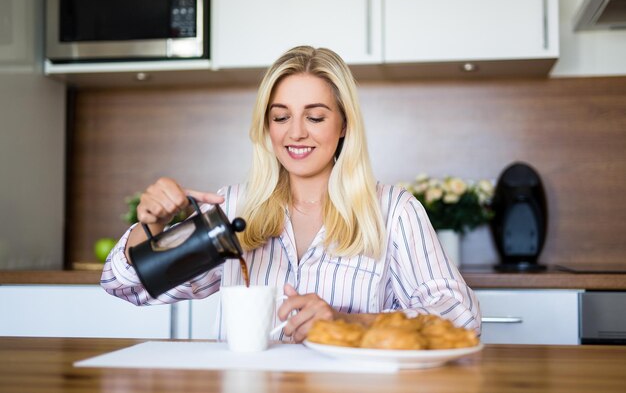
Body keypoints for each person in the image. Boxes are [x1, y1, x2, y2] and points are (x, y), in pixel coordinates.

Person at [101, 45, 481, 342]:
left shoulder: (393, 211)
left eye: (315, 117)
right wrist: (150, 228)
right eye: (281, 117)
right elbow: (126, 287)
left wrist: (347, 320)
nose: (296, 132)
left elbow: (461, 317)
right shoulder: (234, 207)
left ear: (344, 123)